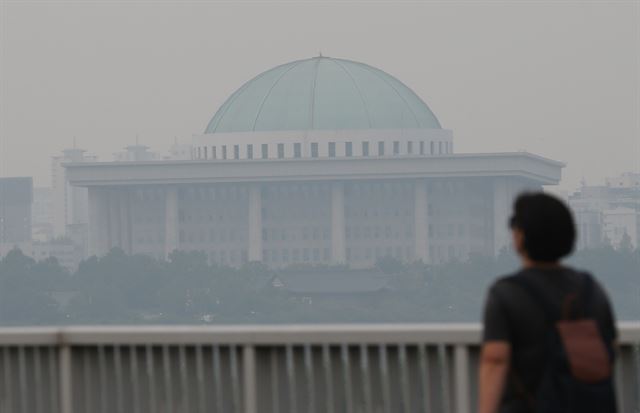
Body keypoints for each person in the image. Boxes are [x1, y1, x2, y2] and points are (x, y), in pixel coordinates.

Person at [478, 192, 618, 413]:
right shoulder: (592, 290)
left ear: (521, 236)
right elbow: (609, 351)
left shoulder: (506, 293)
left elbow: (495, 360)